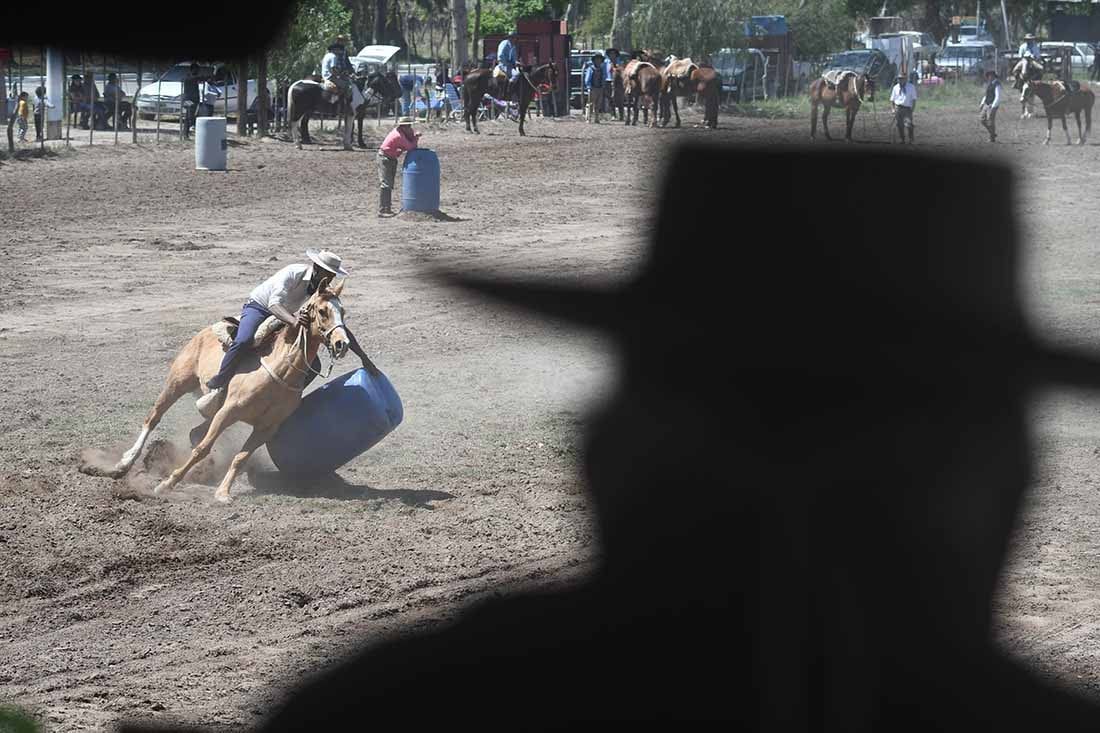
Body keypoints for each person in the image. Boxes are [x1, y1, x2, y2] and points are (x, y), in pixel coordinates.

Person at [212, 145, 1100, 731]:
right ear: (1014, 473)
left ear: (609, 449)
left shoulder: (400, 706)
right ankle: (219, 379)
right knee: (240, 349)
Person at [195, 249, 379, 418]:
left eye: (332, 275)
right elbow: (273, 304)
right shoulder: (293, 273)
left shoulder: (322, 292)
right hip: (261, 306)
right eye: (327, 273)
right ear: (316, 267)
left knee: (313, 364)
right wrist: (293, 321)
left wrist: (364, 357)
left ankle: (284, 403)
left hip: (289, 315)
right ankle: (219, 383)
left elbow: (336, 325)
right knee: (244, 340)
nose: (329, 278)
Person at [376, 116, 420, 217]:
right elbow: (411, 147)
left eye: (410, 125)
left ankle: (386, 208)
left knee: (389, 183)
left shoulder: (400, 133)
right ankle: (383, 210)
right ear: (403, 127)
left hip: (389, 158)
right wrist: (415, 138)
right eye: (408, 126)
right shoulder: (398, 136)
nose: (410, 128)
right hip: (385, 158)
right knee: (386, 184)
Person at [321, 35, 354, 104]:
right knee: (348, 85)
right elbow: (334, 69)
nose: (339, 51)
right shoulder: (333, 56)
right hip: (332, 76)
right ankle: (341, 103)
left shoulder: (327, 55)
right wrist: (340, 75)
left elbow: (347, 62)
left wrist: (350, 71)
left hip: (326, 75)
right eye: (338, 49)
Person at [890, 72, 916, 143]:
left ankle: (911, 139)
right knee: (899, 125)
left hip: (907, 109)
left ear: (906, 79)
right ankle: (902, 139)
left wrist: (912, 109)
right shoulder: (895, 87)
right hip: (898, 108)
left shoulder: (911, 87)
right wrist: (893, 109)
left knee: (909, 124)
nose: (900, 80)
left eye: (902, 79)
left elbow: (914, 99)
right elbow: (892, 99)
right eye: (899, 79)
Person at [979, 69, 1002, 142]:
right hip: (986, 103)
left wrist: (993, 106)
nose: (988, 77)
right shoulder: (990, 84)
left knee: (990, 121)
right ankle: (992, 133)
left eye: (989, 75)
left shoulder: (997, 84)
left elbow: (998, 96)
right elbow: (986, 95)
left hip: (992, 104)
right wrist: (982, 103)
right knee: (982, 119)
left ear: (993, 76)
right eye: (988, 76)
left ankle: (992, 137)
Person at [182, 63, 202, 139]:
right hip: (189, 100)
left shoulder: (190, 77)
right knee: (191, 116)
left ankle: (185, 134)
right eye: (197, 70)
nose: (198, 71)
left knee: (188, 116)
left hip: (189, 99)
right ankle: (191, 128)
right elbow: (198, 78)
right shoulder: (191, 77)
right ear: (193, 69)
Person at [583, 53, 605, 123]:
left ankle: (596, 118)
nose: (598, 61)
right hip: (592, 88)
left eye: (599, 59)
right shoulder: (590, 69)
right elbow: (587, 79)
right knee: (590, 104)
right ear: (594, 60)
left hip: (600, 88)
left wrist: (603, 86)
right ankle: (588, 118)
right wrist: (588, 87)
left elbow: (603, 78)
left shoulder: (602, 69)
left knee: (598, 104)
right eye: (597, 59)